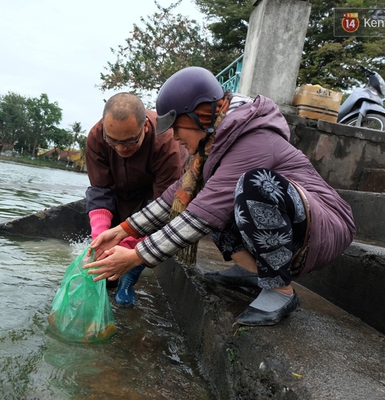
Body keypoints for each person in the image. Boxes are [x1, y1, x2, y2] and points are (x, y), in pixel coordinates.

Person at [85, 67, 356, 325]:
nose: (175, 137)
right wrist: (122, 230)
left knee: (253, 187)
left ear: (199, 116)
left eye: (177, 126)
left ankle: (280, 289)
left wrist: (136, 257)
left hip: (324, 224)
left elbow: (203, 214)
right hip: (296, 219)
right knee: (207, 198)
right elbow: (174, 198)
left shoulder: (252, 138)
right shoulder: (212, 148)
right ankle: (256, 271)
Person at [85, 92, 188, 306]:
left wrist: (130, 245)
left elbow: (161, 206)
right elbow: (100, 189)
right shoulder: (96, 138)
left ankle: (129, 279)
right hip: (120, 189)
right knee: (112, 232)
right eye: (113, 142)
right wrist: (100, 237)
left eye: (130, 141)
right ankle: (112, 274)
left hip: (158, 193)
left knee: (141, 236)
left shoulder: (165, 143)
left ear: (145, 129)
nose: (121, 149)